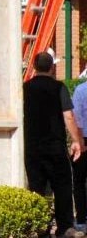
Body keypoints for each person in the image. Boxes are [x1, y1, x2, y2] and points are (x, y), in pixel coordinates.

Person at [25, 52, 84, 238]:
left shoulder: (25, 88)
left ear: (34, 67)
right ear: (52, 67)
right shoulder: (59, 87)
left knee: (36, 188)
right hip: (55, 147)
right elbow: (68, 116)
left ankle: (39, 227)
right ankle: (65, 226)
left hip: (32, 147)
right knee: (62, 187)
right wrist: (77, 141)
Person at [73, 67, 87, 232]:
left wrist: (78, 141)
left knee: (79, 181)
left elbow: (76, 117)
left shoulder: (80, 90)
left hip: (83, 137)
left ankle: (82, 219)